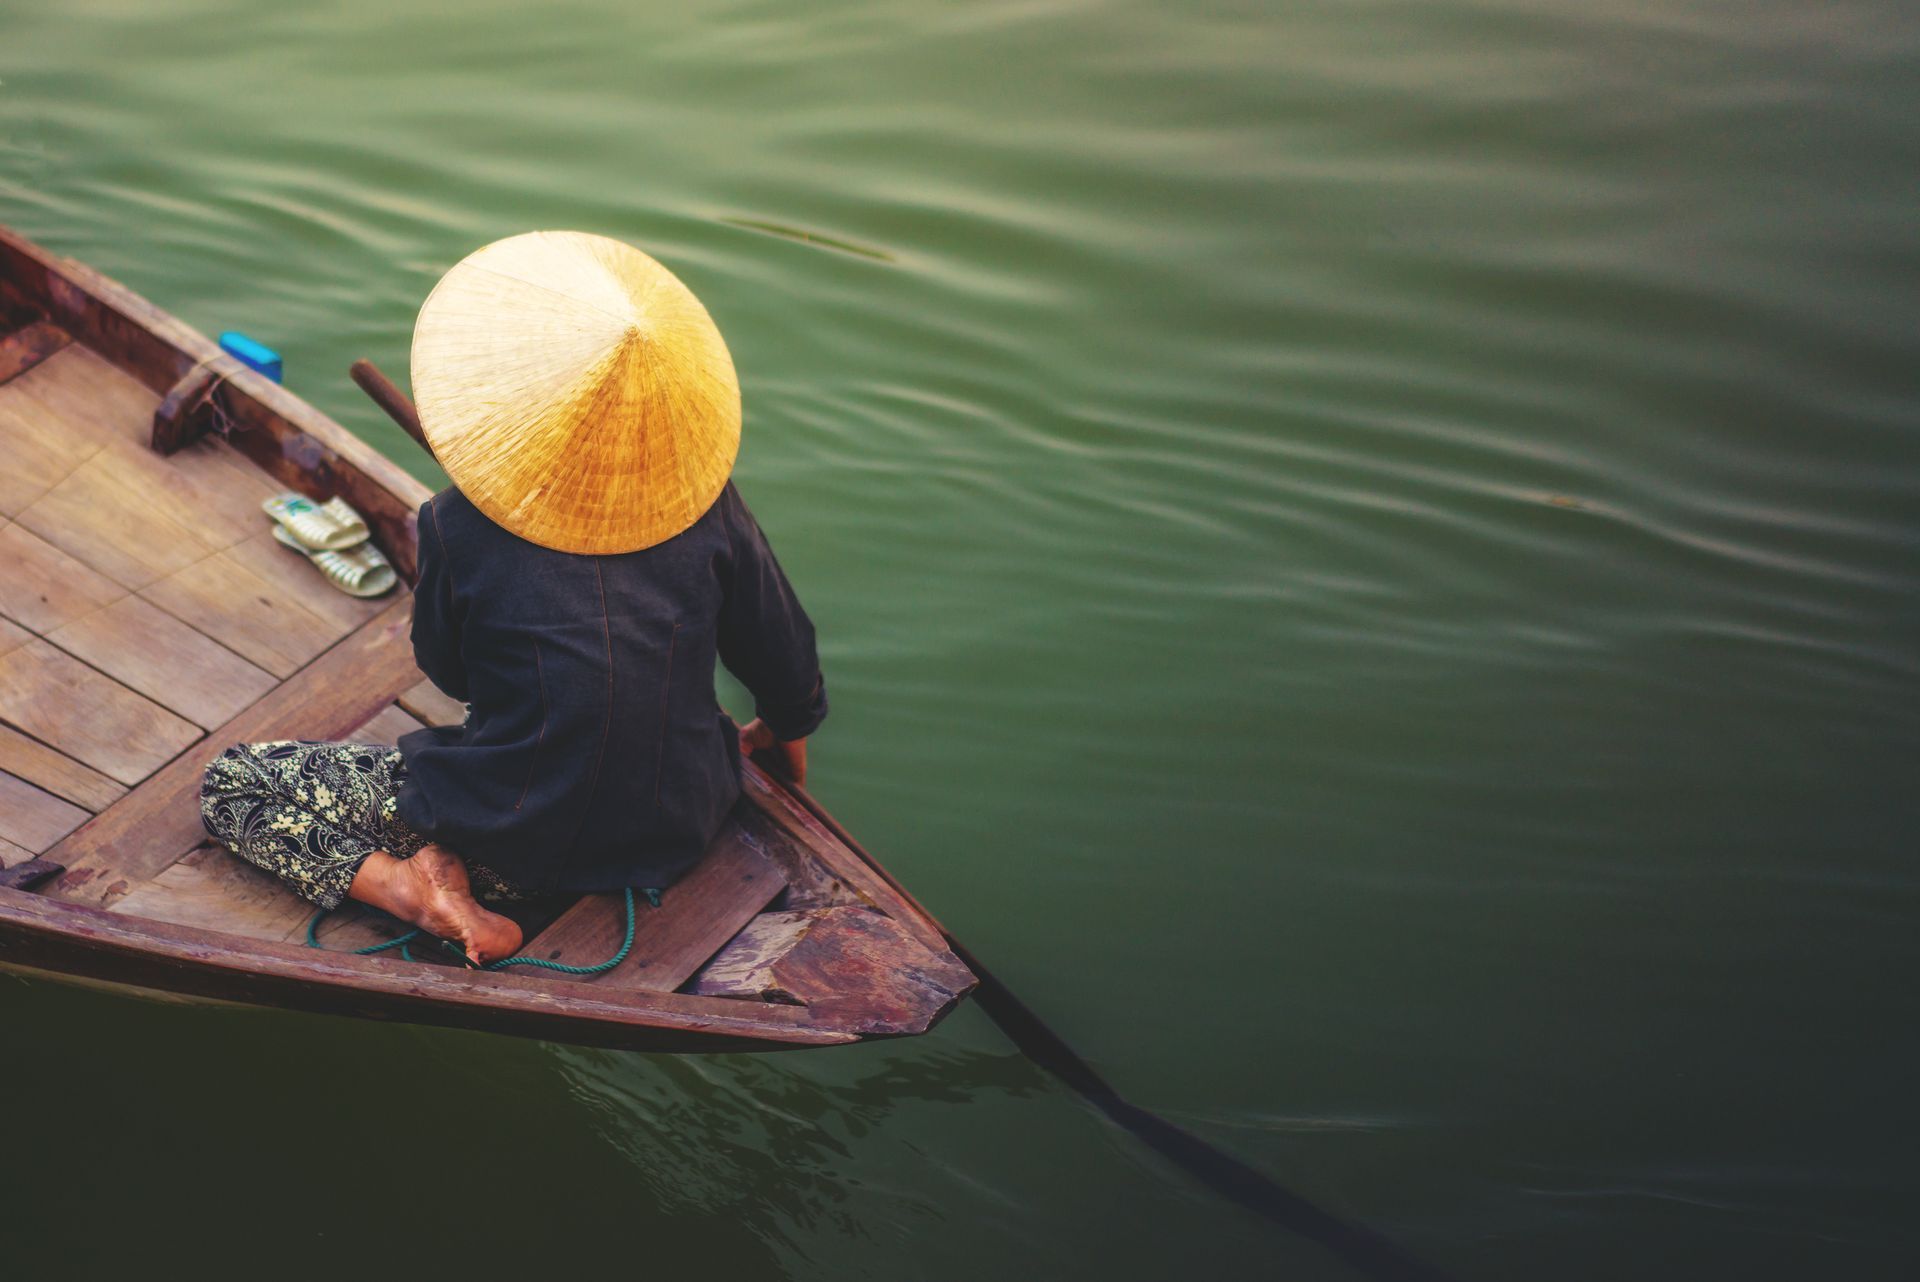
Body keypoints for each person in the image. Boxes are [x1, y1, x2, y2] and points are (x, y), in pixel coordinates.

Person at [199, 230, 826, 964]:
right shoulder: (709, 506)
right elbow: (786, 666)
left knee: (233, 785)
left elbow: (452, 672)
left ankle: (409, 888)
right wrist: (782, 765)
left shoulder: (454, 524)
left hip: (511, 839)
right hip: (686, 818)